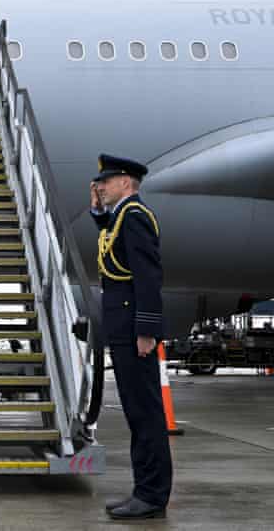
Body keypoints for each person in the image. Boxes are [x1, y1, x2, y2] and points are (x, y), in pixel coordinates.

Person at [91, 154, 172, 520]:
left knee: (145, 414)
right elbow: (114, 249)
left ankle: (152, 495)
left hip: (132, 331)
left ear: (126, 182)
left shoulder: (136, 218)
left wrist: (146, 330)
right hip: (122, 327)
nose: (100, 186)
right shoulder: (122, 216)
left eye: (105, 182)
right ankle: (145, 490)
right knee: (136, 414)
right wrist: (97, 212)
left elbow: (148, 276)